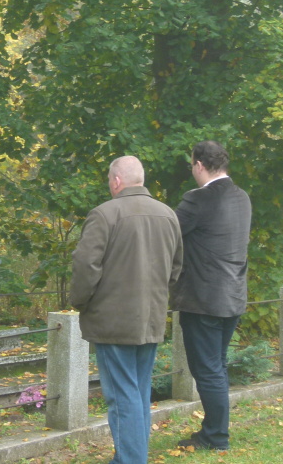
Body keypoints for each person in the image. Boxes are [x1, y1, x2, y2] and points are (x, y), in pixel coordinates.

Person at [71, 156, 183, 464]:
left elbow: (86, 266)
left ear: (117, 181)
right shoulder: (168, 215)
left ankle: (130, 460)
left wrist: (80, 302)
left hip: (112, 320)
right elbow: (176, 268)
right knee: (138, 391)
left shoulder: (105, 214)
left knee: (122, 396)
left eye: (110, 180)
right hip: (151, 318)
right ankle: (134, 456)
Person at [173, 140, 252, 451]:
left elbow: (167, 233)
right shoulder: (242, 197)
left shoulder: (198, 199)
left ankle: (216, 436)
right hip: (233, 294)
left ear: (199, 165)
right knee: (216, 366)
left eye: (191, 164)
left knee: (207, 369)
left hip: (203, 299)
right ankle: (214, 430)